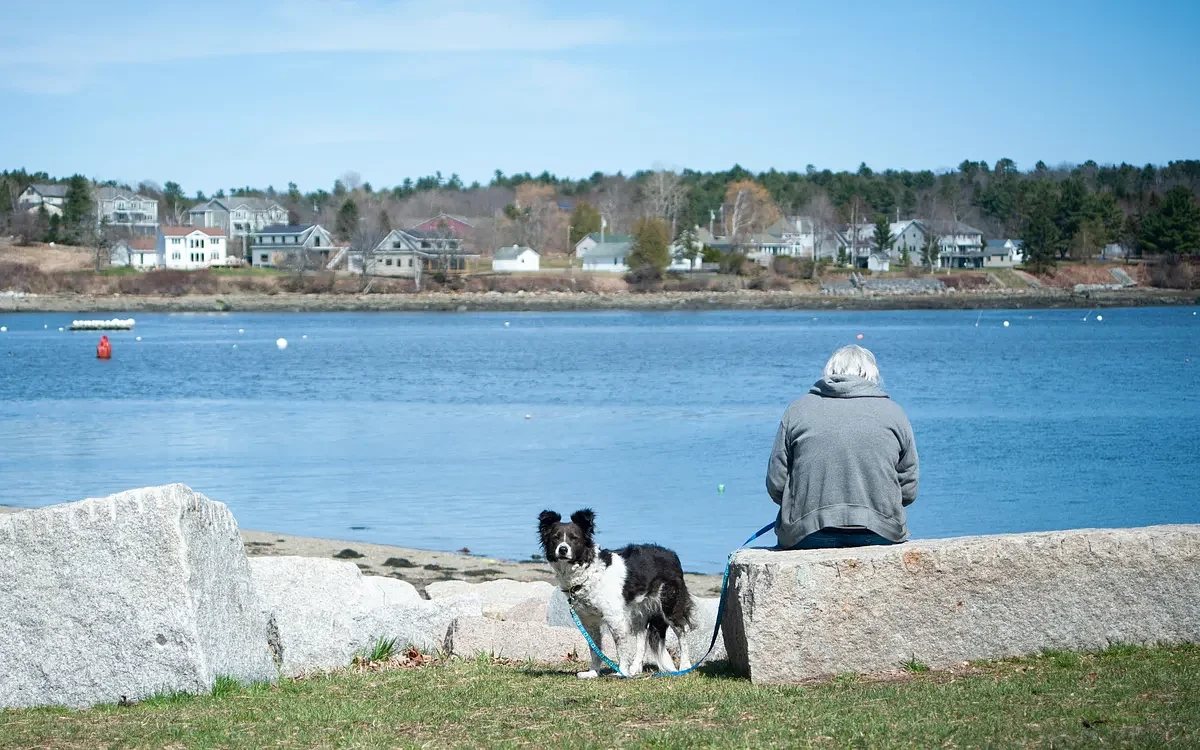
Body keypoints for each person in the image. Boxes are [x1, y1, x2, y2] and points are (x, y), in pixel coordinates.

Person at [766, 345, 919, 549]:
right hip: (881, 531)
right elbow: (908, 488)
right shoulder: (895, 413)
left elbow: (776, 483)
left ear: (830, 372)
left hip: (807, 532)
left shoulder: (797, 410)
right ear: (872, 374)